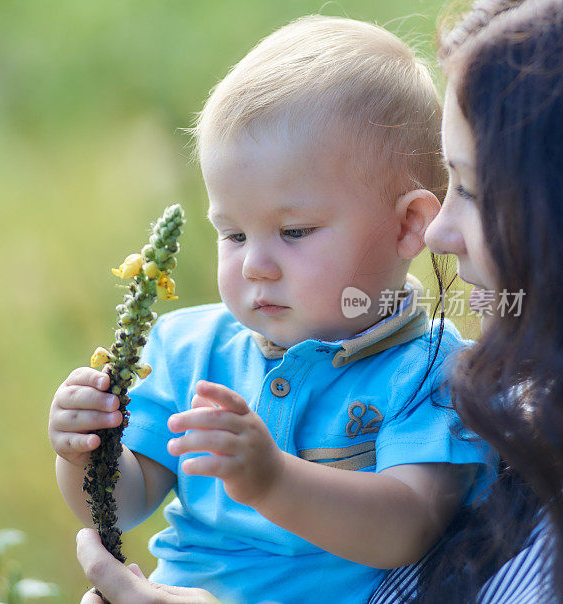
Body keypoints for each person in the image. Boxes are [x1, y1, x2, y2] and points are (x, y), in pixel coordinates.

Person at [74, 0, 563, 602]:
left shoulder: (431, 375)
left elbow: (406, 526)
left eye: (295, 232)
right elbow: (120, 504)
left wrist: (273, 479)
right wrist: (84, 451)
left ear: (406, 226)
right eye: (232, 234)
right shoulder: (189, 347)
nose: (254, 263)